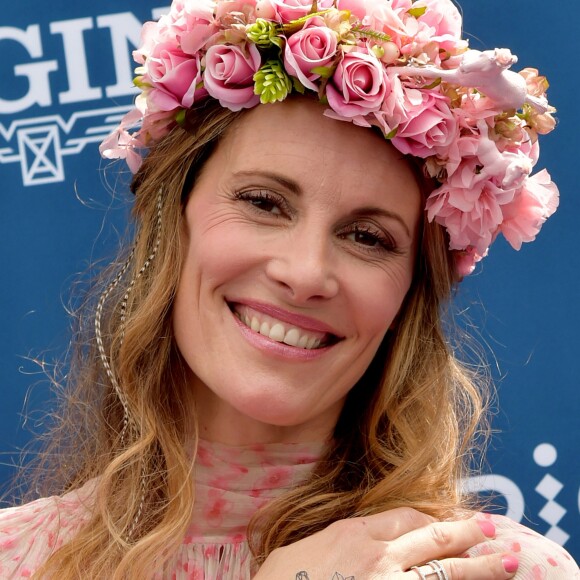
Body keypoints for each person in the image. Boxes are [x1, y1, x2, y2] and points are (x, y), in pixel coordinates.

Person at [0, 0, 577, 578]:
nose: (304, 273)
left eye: (368, 238)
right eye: (262, 203)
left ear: (409, 296)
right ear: (170, 219)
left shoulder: (500, 570)